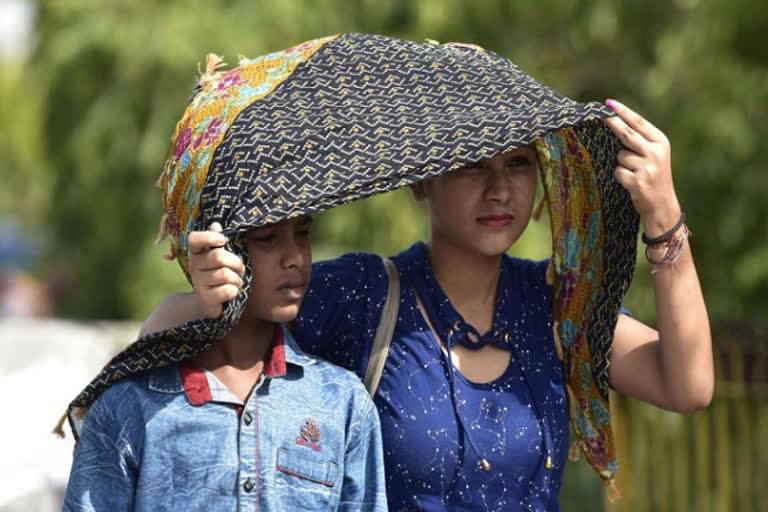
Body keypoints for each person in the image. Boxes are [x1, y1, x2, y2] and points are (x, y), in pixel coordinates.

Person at [141, 97, 713, 511]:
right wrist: (206, 293)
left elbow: (686, 385)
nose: (500, 188)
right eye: (473, 164)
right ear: (421, 180)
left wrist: (664, 222)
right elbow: (159, 345)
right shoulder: (365, 296)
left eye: (517, 163)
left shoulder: (555, 304)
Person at [61, 46, 388, 512]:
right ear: (216, 248)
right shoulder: (129, 408)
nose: (295, 256)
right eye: (269, 238)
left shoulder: (342, 405)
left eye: (303, 233)